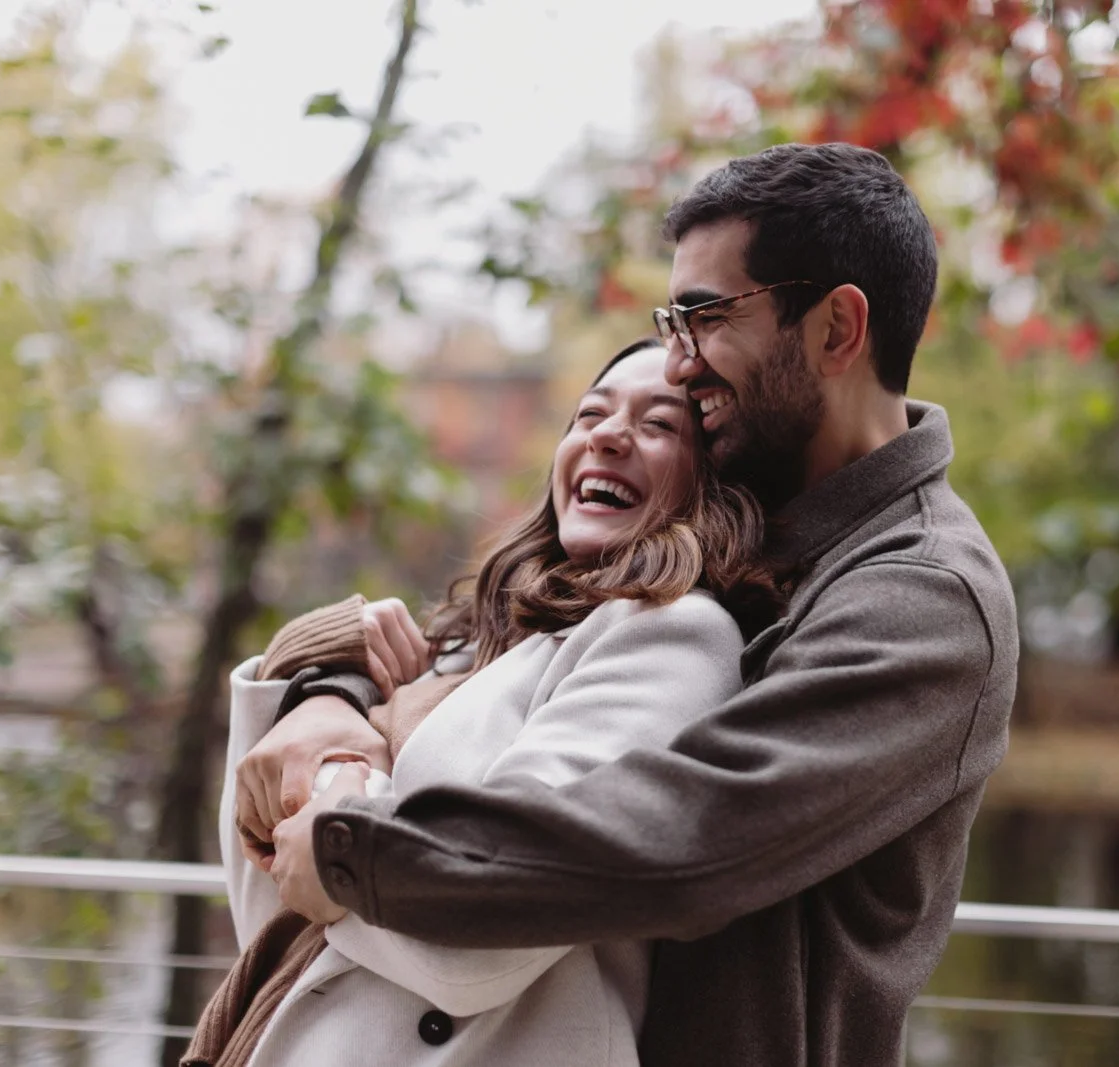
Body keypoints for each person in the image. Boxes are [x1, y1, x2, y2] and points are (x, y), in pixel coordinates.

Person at [246, 142, 1019, 1067]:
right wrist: (328, 696)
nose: (680, 366)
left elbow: (683, 841)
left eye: (705, 318)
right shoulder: (737, 511)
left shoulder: (921, 594)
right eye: (671, 321)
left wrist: (352, 848)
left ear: (836, 330)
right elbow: (482, 638)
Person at [185, 339, 782, 1066]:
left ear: (712, 481)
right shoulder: (481, 643)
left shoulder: (675, 635)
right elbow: (274, 907)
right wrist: (317, 685)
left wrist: (342, 784)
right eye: (590, 414)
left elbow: (487, 930)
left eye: (658, 424)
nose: (607, 434)